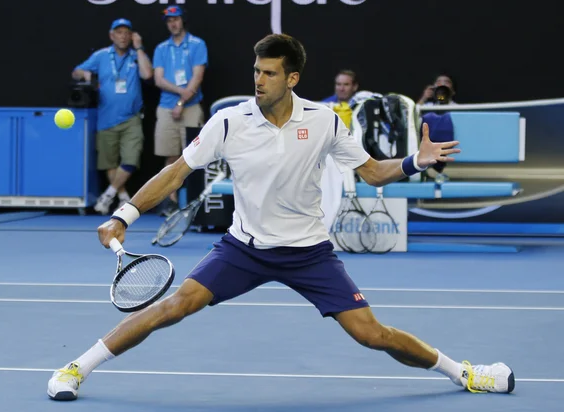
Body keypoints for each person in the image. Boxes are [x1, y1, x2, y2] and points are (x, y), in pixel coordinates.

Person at [48, 34, 514, 401]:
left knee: (372, 334)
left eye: (269, 73)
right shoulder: (229, 121)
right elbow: (175, 173)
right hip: (243, 250)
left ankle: (466, 373)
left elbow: (373, 172)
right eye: (256, 71)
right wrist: (125, 214)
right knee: (173, 307)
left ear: (291, 79)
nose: (259, 80)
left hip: (308, 254)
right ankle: (76, 367)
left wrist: (414, 161)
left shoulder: (325, 121)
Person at [73, 18, 153, 215]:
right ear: (111, 35)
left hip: (131, 118)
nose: (123, 36)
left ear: (132, 36)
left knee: (131, 159)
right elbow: (76, 71)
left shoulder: (136, 56)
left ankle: (108, 195)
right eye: (119, 32)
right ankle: (124, 198)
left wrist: (140, 47)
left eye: (127, 32)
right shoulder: (101, 56)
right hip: (106, 117)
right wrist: (84, 74)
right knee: (109, 162)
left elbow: (147, 74)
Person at [152, 5, 208, 216]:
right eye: (169, 21)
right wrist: (178, 97)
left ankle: (193, 201)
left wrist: (181, 103)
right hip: (166, 108)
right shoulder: (161, 48)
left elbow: (197, 77)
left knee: (195, 156)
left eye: (176, 19)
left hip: (191, 107)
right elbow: (158, 79)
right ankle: (170, 201)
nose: (173, 23)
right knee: (170, 155)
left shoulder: (197, 44)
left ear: (182, 20)